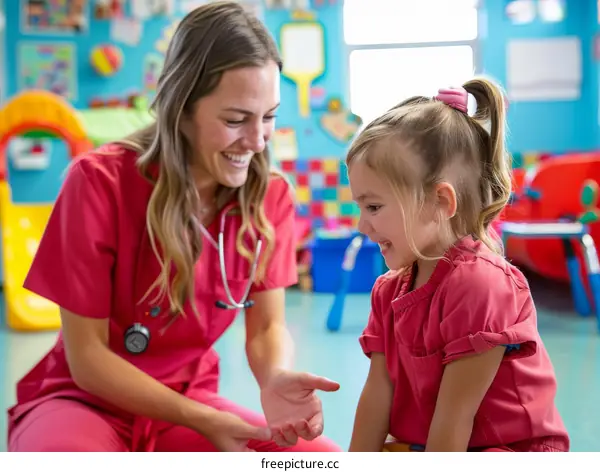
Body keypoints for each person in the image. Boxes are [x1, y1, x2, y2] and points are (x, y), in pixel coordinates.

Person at [7, 2, 341, 453]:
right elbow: (87, 359)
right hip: (83, 400)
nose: (259, 140)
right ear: (181, 109)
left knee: (319, 463)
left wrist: (276, 375)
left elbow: (265, 329)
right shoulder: (98, 182)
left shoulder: (269, 197)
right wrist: (203, 420)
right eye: (235, 119)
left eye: (269, 116)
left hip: (190, 399)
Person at [346, 78, 570, 452]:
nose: (361, 224)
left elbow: (456, 415)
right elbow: (376, 396)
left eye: (374, 207)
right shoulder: (388, 290)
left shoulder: (480, 285)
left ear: (440, 203)